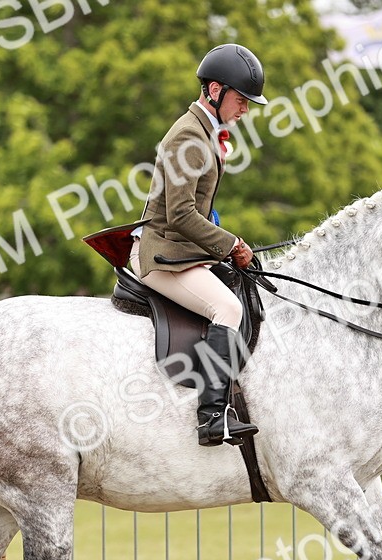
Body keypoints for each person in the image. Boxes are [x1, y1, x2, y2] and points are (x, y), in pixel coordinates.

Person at [129, 44, 268, 447]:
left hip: (183, 248)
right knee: (227, 307)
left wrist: (220, 236)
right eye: (241, 100)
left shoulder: (205, 132)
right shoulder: (188, 136)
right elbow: (179, 216)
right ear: (214, 90)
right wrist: (231, 244)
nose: (245, 109)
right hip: (160, 252)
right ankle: (211, 417)